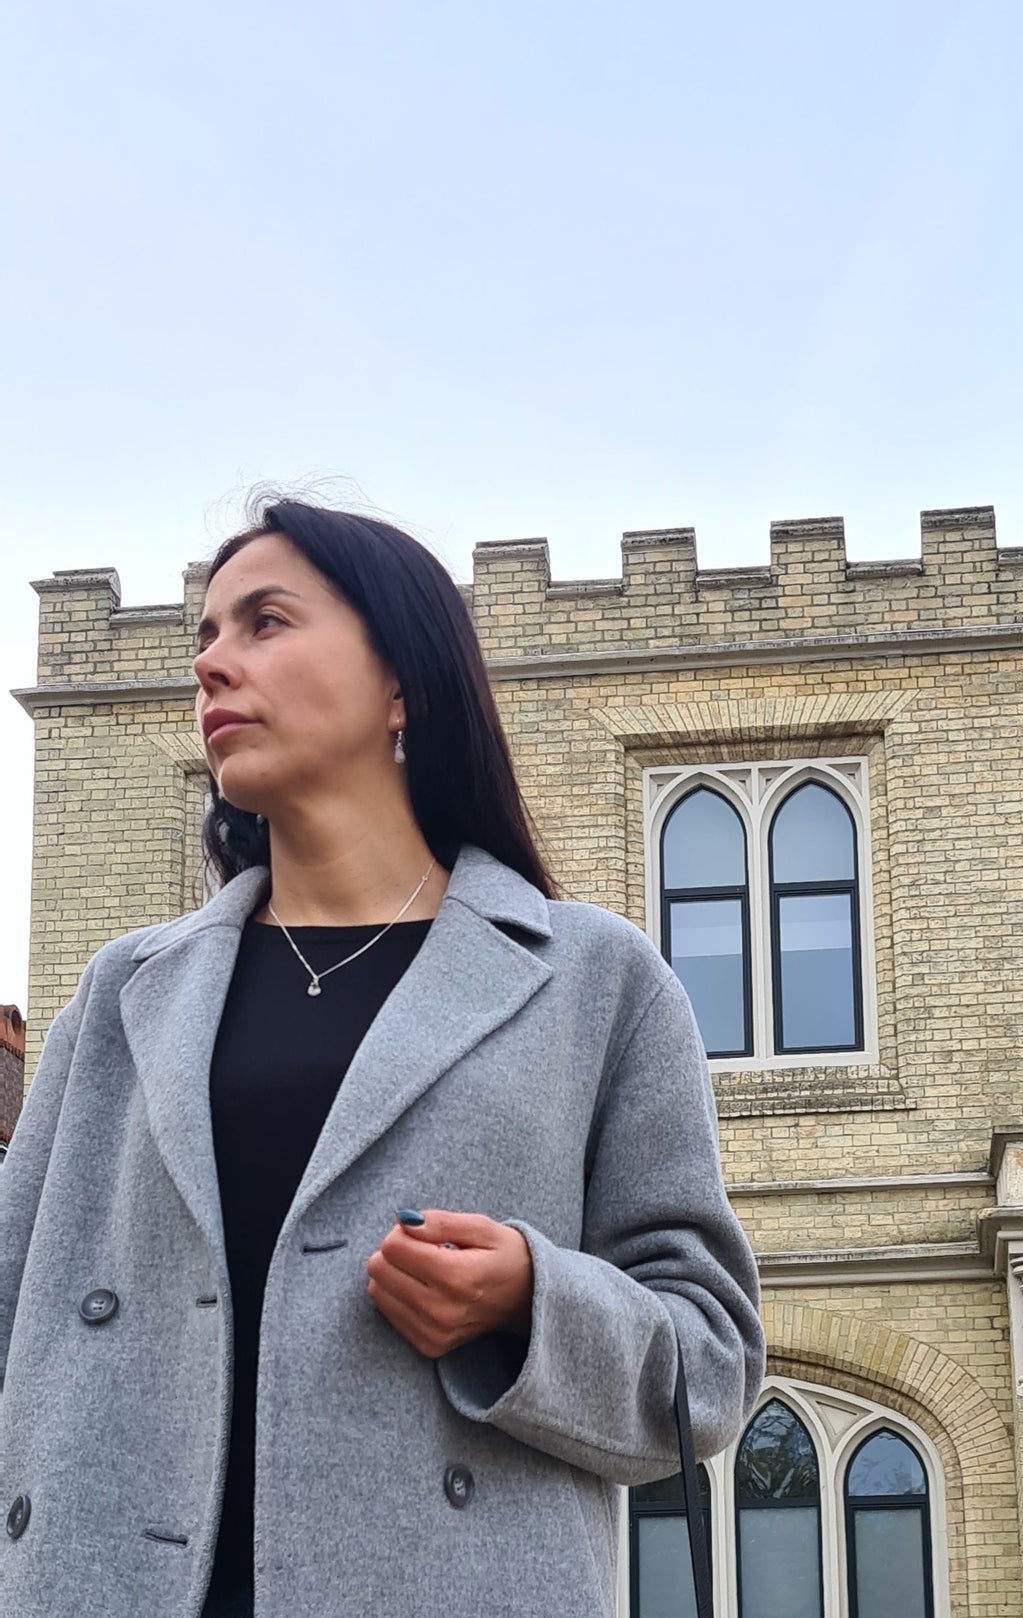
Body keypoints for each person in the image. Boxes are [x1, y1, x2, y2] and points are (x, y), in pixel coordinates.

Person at [0, 498, 766, 1618]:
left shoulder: (595, 980)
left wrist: (528, 1300)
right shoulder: (126, 991)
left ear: (400, 682)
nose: (213, 664)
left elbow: (707, 1364)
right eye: (204, 637)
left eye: (264, 622)